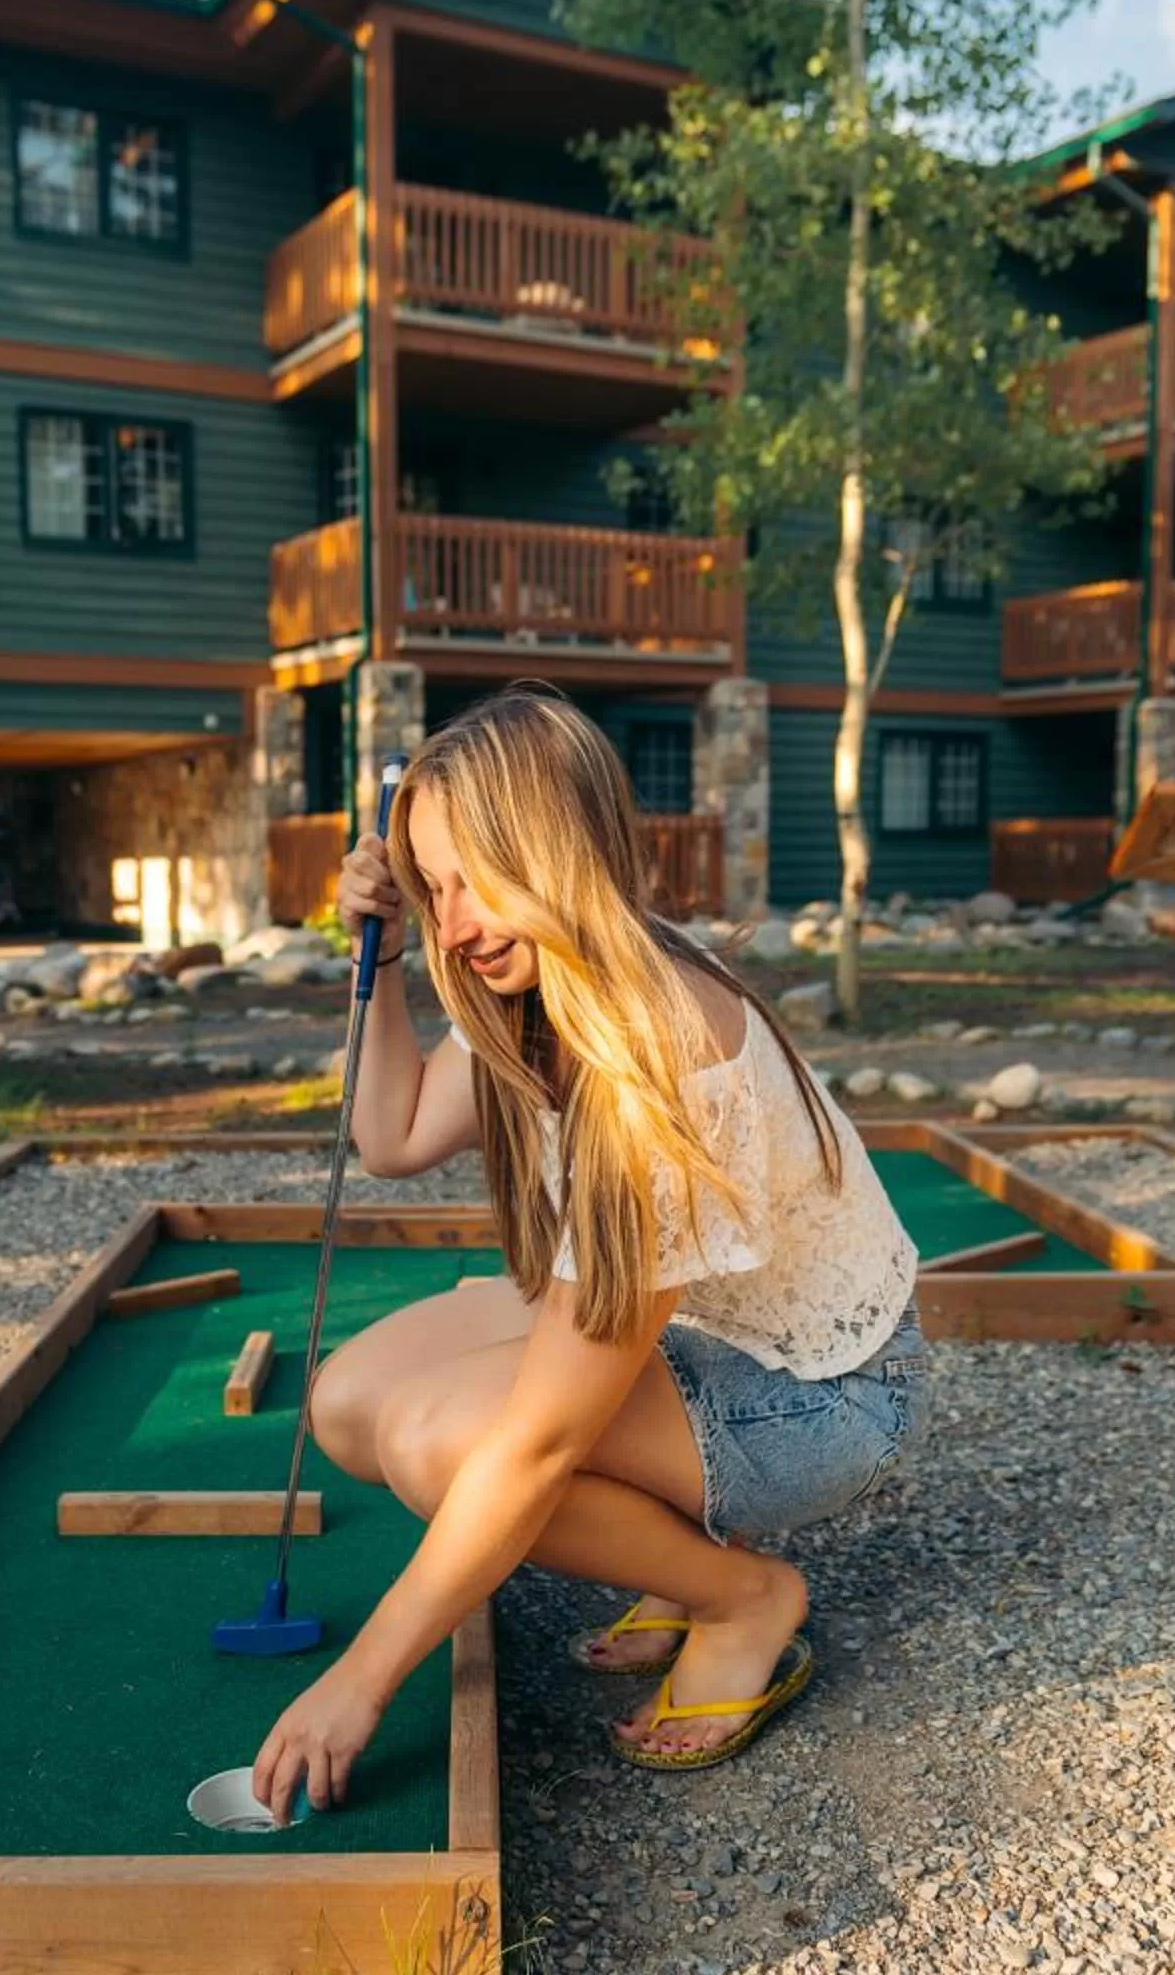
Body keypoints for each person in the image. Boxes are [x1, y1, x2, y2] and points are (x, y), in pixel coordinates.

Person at [250, 685, 929, 1825]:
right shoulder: (546, 982)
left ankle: (743, 1596)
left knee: (436, 1442)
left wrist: (360, 1681)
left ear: (560, 853)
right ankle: (679, 1550)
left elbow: (540, 1443)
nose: (456, 923)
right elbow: (392, 1135)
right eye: (433, 886)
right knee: (350, 1404)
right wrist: (383, 954)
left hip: (827, 1398)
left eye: (476, 881)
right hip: (701, 1335)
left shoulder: (659, 1058)